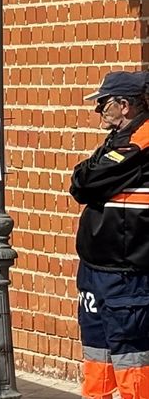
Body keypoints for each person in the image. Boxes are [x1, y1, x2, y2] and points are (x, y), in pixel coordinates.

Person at [70, 71, 149, 399]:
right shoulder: (116, 140)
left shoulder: (140, 142)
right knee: (97, 357)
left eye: (103, 103)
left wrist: (87, 176)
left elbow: (85, 183)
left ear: (125, 105)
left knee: (132, 359)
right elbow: (81, 181)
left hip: (126, 275)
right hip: (96, 272)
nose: (97, 110)